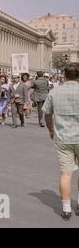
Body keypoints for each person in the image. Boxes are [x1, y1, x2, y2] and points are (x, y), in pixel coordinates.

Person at [42, 63, 79, 220]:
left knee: (66, 173)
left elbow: (47, 113)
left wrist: (51, 129)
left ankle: (66, 208)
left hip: (62, 137)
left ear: (64, 74)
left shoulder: (55, 92)